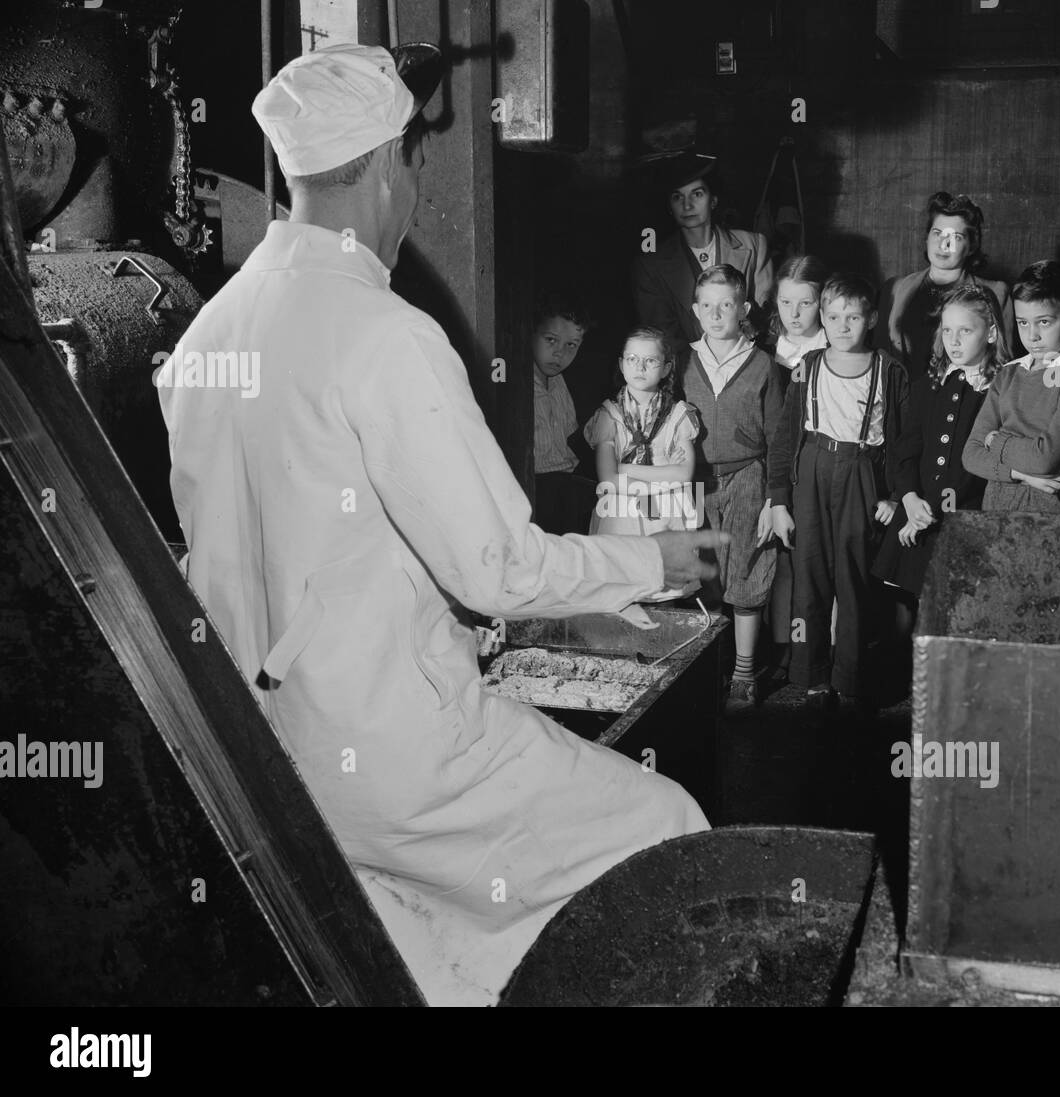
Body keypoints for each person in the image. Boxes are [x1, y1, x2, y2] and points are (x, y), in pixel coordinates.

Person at [156, 43, 725, 1006]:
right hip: (399, 762)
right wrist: (657, 555)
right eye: (416, 162)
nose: (415, 189)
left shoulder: (208, 332)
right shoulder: (388, 338)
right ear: (388, 163)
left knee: (421, 956)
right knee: (667, 830)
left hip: (269, 757)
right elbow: (499, 570)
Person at [768, 273, 911, 717]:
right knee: (809, 577)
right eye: (833, 317)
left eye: (853, 317)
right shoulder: (806, 367)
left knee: (854, 580)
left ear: (870, 319)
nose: (843, 325)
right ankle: (811, 675)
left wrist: (892, 496)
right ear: (823, 320)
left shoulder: (890, 371)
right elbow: (785, 437)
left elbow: (903, 443)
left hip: (862, 473)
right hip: (811, 470)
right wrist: (777, 501)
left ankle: (850, 678)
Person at [871, 282, 1007, 699]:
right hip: (916, 510)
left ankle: (955, 694)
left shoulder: (1000, 387)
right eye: (947, 331)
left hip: (965, 518)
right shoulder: (928, 382)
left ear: (991, 333)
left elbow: (985, 461)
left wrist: (937, 511)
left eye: (964, 331)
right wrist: (909, 500)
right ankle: (903, 688)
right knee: (904, 604)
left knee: (955, 608)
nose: (953, 341)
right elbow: (905, 451)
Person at [680, 264, 785, 713]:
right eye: (708, 304)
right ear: (695, 309)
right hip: (695, 481)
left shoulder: (764, 364)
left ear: (743, 309)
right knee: (699, 574)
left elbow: (780, 437)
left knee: (745, 572)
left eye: (727, 304)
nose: (717, 313)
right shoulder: (679, 360)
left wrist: (772, 500)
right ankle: (706, 668)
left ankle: (743, 674)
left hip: (747, 477)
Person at [961, 260, 1060, 512]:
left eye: (1044, 322)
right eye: (1023, 322)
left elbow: (1043, 459)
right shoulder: (1008, 374)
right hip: (995, 507)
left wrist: (994, 441)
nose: (1032, 335)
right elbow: (970, 455)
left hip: (1052, 511)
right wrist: (1022, 474)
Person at [584, 326, 701, 599]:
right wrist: (661, 475)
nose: (640, 367)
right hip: (620, 516)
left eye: (650, 361)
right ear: (621, 365)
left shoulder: (678, 415)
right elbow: (607, 478)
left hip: (665, 515)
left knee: (664, 591)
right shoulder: (608, 416)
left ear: (666, 368)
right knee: (621, 590)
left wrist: (623, 468)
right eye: (632, 359)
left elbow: (684, 475)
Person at [633, 152, 774, 363]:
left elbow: (769, 311)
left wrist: (750, 325)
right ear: (669, 207)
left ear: (714, 200)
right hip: (687, 373)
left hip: (748, 363)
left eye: (697, 194)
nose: (687, 205)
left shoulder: (753, 245)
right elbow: (662, 334)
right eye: (677, 197)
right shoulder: (651, 265)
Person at [765, 254, 830, 684]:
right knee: (779, 566)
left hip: (816, 472)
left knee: (816, 565)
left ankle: (818, 656)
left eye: (804, 304)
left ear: (821, 303)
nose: (793, 314)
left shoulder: (834, 350)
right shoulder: (768, 352)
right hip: (772, 469)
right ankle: (783, 652)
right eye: (785, 303)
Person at [874, 191, 1012, 384]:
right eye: (937, 233)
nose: (944, 244)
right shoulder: (895, 289)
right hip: (902, 403)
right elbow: (879, 358)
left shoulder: (996, 294)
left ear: (971, 246)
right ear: (927, 237)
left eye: (955, 237)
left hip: (961, 405)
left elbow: (1003, 366)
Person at [532, 292, 597, 535]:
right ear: (531, 332)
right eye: (551, 340)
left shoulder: (559, 382)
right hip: (536, 493)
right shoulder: (517, 385)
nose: (560, 353)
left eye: (571, 345)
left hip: (568, 489)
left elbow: (572, 440)